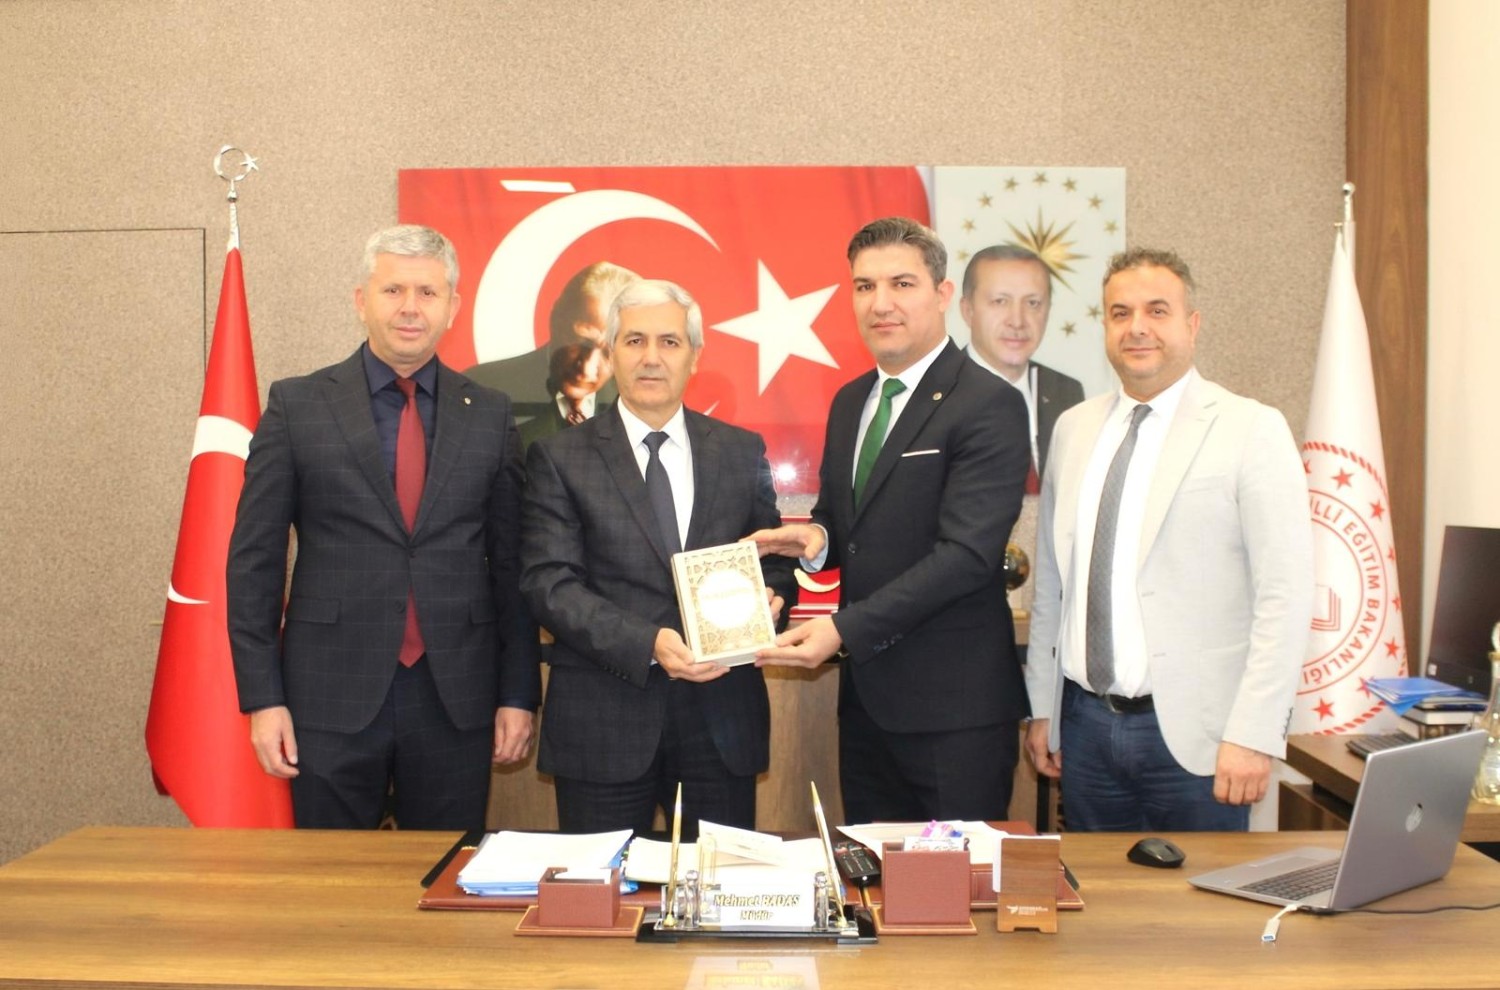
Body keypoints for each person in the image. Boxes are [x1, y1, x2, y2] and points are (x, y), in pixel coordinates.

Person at [227, 224, 541, 830]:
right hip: (328, 694)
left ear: (452, 306)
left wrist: (518, 693)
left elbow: (512, 568)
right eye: (393, 289)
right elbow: (254, 564)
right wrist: (263, 699)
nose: (409, 307)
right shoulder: (297, 406)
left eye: (427, 292)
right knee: (329, 877)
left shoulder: (490, 414)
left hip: (456, 696)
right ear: (360, 300)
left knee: (444, 872)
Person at [1023, 248, 1314, 831]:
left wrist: (1254, 734)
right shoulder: (1073, 429)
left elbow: (1285, 597)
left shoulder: (1251, 429)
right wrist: (1042, 709)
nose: (1137, 327)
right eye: (1120, 313)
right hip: (1084, 730)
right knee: (1093, 892)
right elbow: (1053, 584)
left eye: (1157, 311)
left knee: (1203, 894)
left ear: (1192, 324)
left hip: (1201, 742)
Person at [751, 217, 1031, 823]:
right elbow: (844, 521)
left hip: (955, 714)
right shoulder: (852, 400)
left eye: (902, 284)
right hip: (868, 708)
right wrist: (816, 539)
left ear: (943, 294)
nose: (881, 303)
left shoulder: (990, 404)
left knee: (957, 877)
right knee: (872, 871)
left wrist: (842, 630)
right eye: (864, 286)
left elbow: (966, 556)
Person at [520, 278, 797, 839]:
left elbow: (769, 557)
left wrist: (772, 598)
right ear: (611, 353)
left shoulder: (741, 451)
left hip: (722, 721)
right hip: (604, 723)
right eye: (635, 341)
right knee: (602, 889)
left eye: (669, 342)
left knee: (718, 889)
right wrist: (648, 643)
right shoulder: (558, 456)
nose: (652, 357)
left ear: (695, 355)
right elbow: (549, 583)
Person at [959, 245, 1085, 481]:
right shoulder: (935, 393)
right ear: (968, 311)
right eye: (1000, 301)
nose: (1017, 321)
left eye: (1033, 303)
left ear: (1048, 311)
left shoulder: (1066, 392)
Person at [467, 260, 637, 408]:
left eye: (608, 353)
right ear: (556, 319)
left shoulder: (638, 404)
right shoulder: (481, 389)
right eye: (582, 342)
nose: (587, 369)